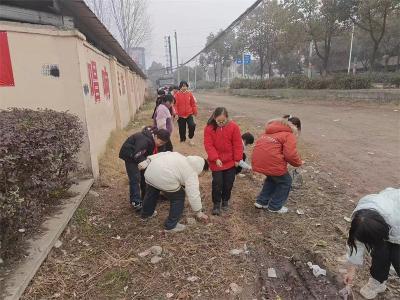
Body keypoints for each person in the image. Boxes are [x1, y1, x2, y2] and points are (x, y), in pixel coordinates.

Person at [344, 188, 399, 299]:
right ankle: (377, 282)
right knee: (380, 253)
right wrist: (351, 270)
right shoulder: (362, 216)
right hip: (387, 225)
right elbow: (357, 241)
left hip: (397, 226)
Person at [141, 152, 209, 232]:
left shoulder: (178, 155)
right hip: (163, 177)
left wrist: (147, 161)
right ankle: (171, 226)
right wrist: (198, 212)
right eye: (203, 173)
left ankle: (146, 214)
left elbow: (163, 153)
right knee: (178, 197)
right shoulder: (192, 173)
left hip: (150, 172)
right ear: (201, 169)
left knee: (152, 191)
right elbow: (193, 194)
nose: (201, 175)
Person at [251, 115, 303, 213]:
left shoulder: (270, 131)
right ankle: (275, 206)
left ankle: (261, 201)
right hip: (272, 162)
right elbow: (290, 154)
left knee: (271, 178)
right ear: (295, 126)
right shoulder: (289, 134)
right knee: (286, 181)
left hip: (259, 161)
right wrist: (298, 162)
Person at [119, 127, 170, 210]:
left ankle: (145, 197)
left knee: (146, 176)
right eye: (160, 142)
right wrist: (145, 163)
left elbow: (159, 155)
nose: (161, 144)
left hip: (142, 156)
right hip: (130, 155)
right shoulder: (144, 140)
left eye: (163, 143)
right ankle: (136, 202)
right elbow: (137, 154)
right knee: (135, 178)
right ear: (156, 136)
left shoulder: (159, 142)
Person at [204, 107, 243, 216]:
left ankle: (225, 200)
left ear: (227, 118)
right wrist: (215, 158)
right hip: (216, 162)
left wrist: (237, 159)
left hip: (230, 161)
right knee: (217, 183)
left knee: (228, 182)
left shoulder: (234, 127)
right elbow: (208, 145)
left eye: (223, 121)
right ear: (214, 118)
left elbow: (237, 144)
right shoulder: (209, 128)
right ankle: (216, 203)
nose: (221, 123)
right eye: (218, 121)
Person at [174, 81, 198, 145]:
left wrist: (195, 111)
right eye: (182, 86)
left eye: (185, 86)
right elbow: (175, 105)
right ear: (180, 87)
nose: (184, 87)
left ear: (187, 86)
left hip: (189, 114)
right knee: (182, 128)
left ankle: (191, 138)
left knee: (192, 125)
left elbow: (193, 104)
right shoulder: (177, 95)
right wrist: (176, 113)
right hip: (180, 115)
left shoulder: (190, 94)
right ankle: (182, 140)